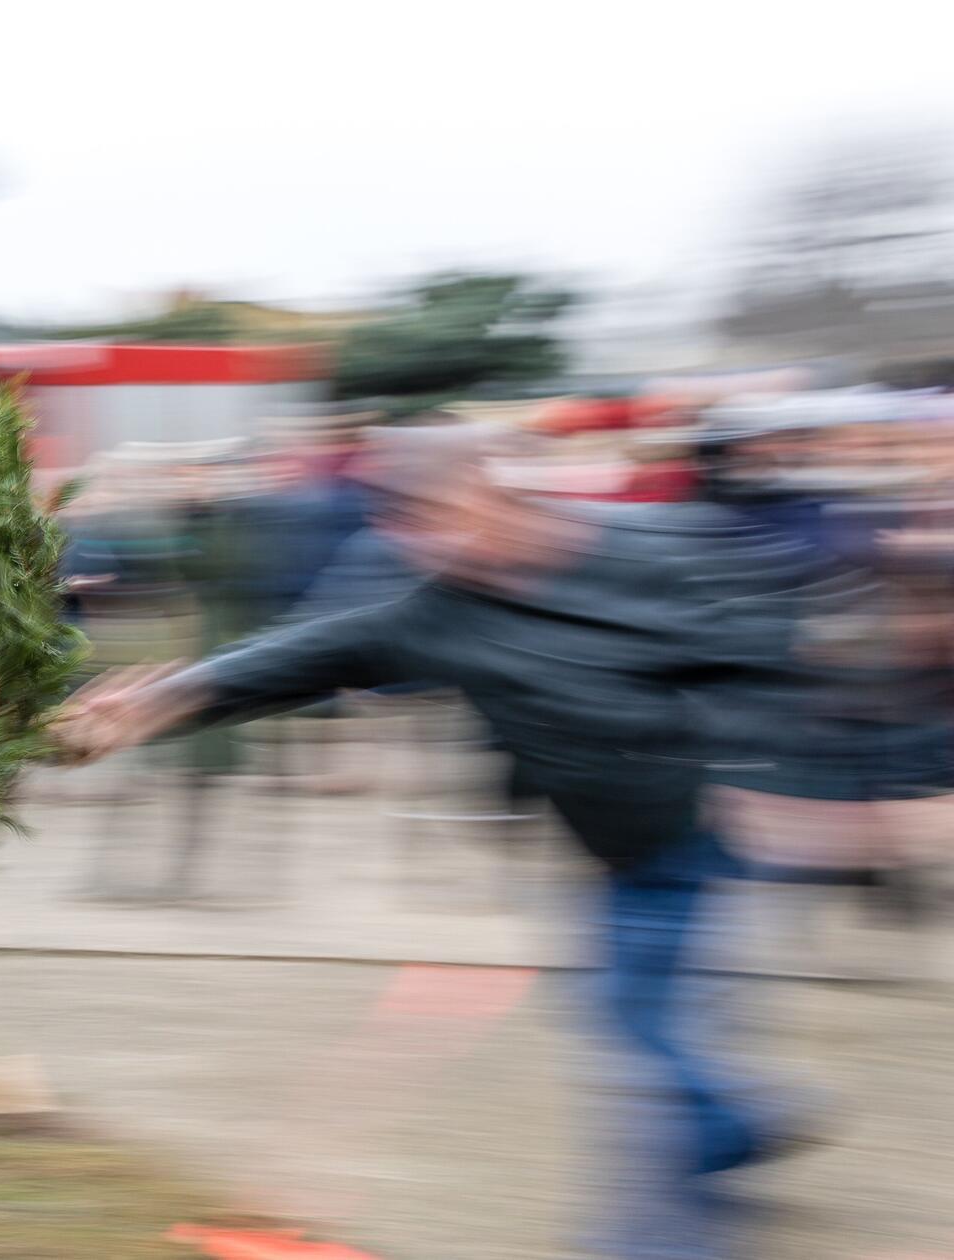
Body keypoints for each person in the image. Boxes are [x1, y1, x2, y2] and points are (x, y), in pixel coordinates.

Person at [51, 423, 835, 1260]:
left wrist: (778, 777)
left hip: (707, 837)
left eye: (444, 517)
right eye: (410, 530)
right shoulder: (441, 612)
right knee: (624, 1016)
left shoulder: (652, 547)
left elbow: (766, 650)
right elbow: (303, 657)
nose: (434, 545)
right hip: (616, 850)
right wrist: (155, 703)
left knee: (642, 1046)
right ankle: (737, 1125)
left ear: (496, 491)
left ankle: (662, 1236)